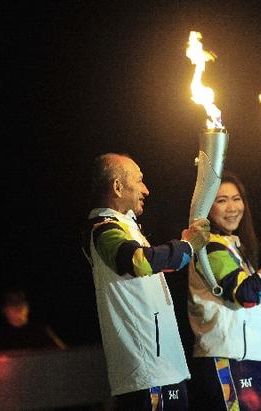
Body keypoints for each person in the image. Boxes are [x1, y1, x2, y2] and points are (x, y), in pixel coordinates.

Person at [83, 153, 210, 410]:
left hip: (163, 368)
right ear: (117, 186)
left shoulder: (126, 227)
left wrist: (187, 246)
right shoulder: (103, 230)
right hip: (147, 372)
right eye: (139, 181)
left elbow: (150, 266)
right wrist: (186, 246)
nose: (146, 189)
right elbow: (139, 262)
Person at [187, 170, 261, 411]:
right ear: (207, 207)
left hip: (245, 359)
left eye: (236, 199)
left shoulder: (232, 246)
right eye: (222, 200)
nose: (232, 207)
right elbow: (247, 296)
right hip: (226, 360)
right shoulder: (211, 248)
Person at [0, 288, 67, 352]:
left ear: (27, 307)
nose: (18, 307)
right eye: (12, 304)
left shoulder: (41, 331)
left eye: (21, 303)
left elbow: (64, 354)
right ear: (4, 310)